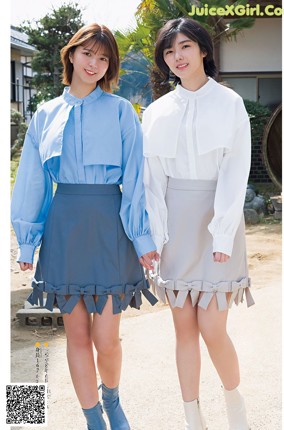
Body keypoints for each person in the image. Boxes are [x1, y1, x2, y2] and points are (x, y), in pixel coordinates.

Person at [11, 23, 159, 430]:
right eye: (87, 53)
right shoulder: (45, 113)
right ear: (71, 55)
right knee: (75, 336)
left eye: (103, 57)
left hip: (111, 228)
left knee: (105, 339)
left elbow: (135, 181)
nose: (94, 63)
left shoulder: (120, 113)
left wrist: (142, 237)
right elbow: (33, 181)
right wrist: (28, 242)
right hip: (65, 229)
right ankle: (92, 418)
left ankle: (111, 398)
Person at [142, 17, 255, 430]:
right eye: (170, 51)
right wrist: (156, 237)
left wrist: (223, 230)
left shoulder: (230, 103)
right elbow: (152, 181)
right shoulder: (155, 113)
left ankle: (233, 401)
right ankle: (193, 417)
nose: (178, 57)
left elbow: (234, 170)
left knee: (212, 327)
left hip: (217, 223)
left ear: (204, 50)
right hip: (174, 227)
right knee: (183, 329)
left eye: (185, 47)